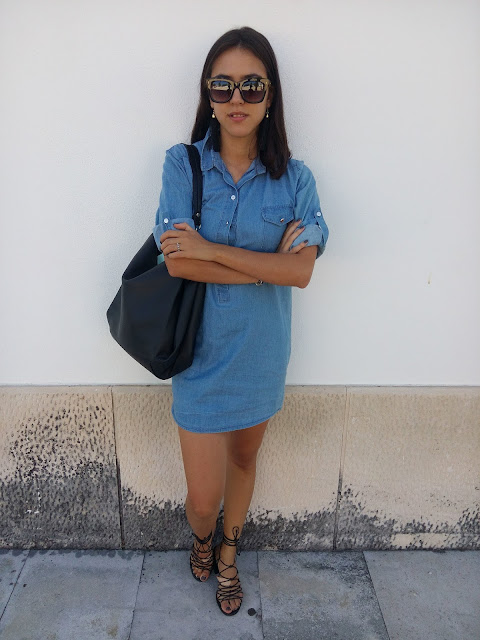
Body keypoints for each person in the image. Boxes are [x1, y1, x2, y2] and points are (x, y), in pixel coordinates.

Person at [153, 26, 329, 617]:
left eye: (251, 86)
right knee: (203, 500)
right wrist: (263, 267)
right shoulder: (182, 165)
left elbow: (300, 272)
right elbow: (178, 262)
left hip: (260, 351)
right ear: (207, 94)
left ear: (270, 96)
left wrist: (213, 250)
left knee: (245, 461)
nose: (236, 99)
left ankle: (228, 554)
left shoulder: (296, 179)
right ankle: (204, 535)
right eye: (222, 85)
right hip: (198, 356)